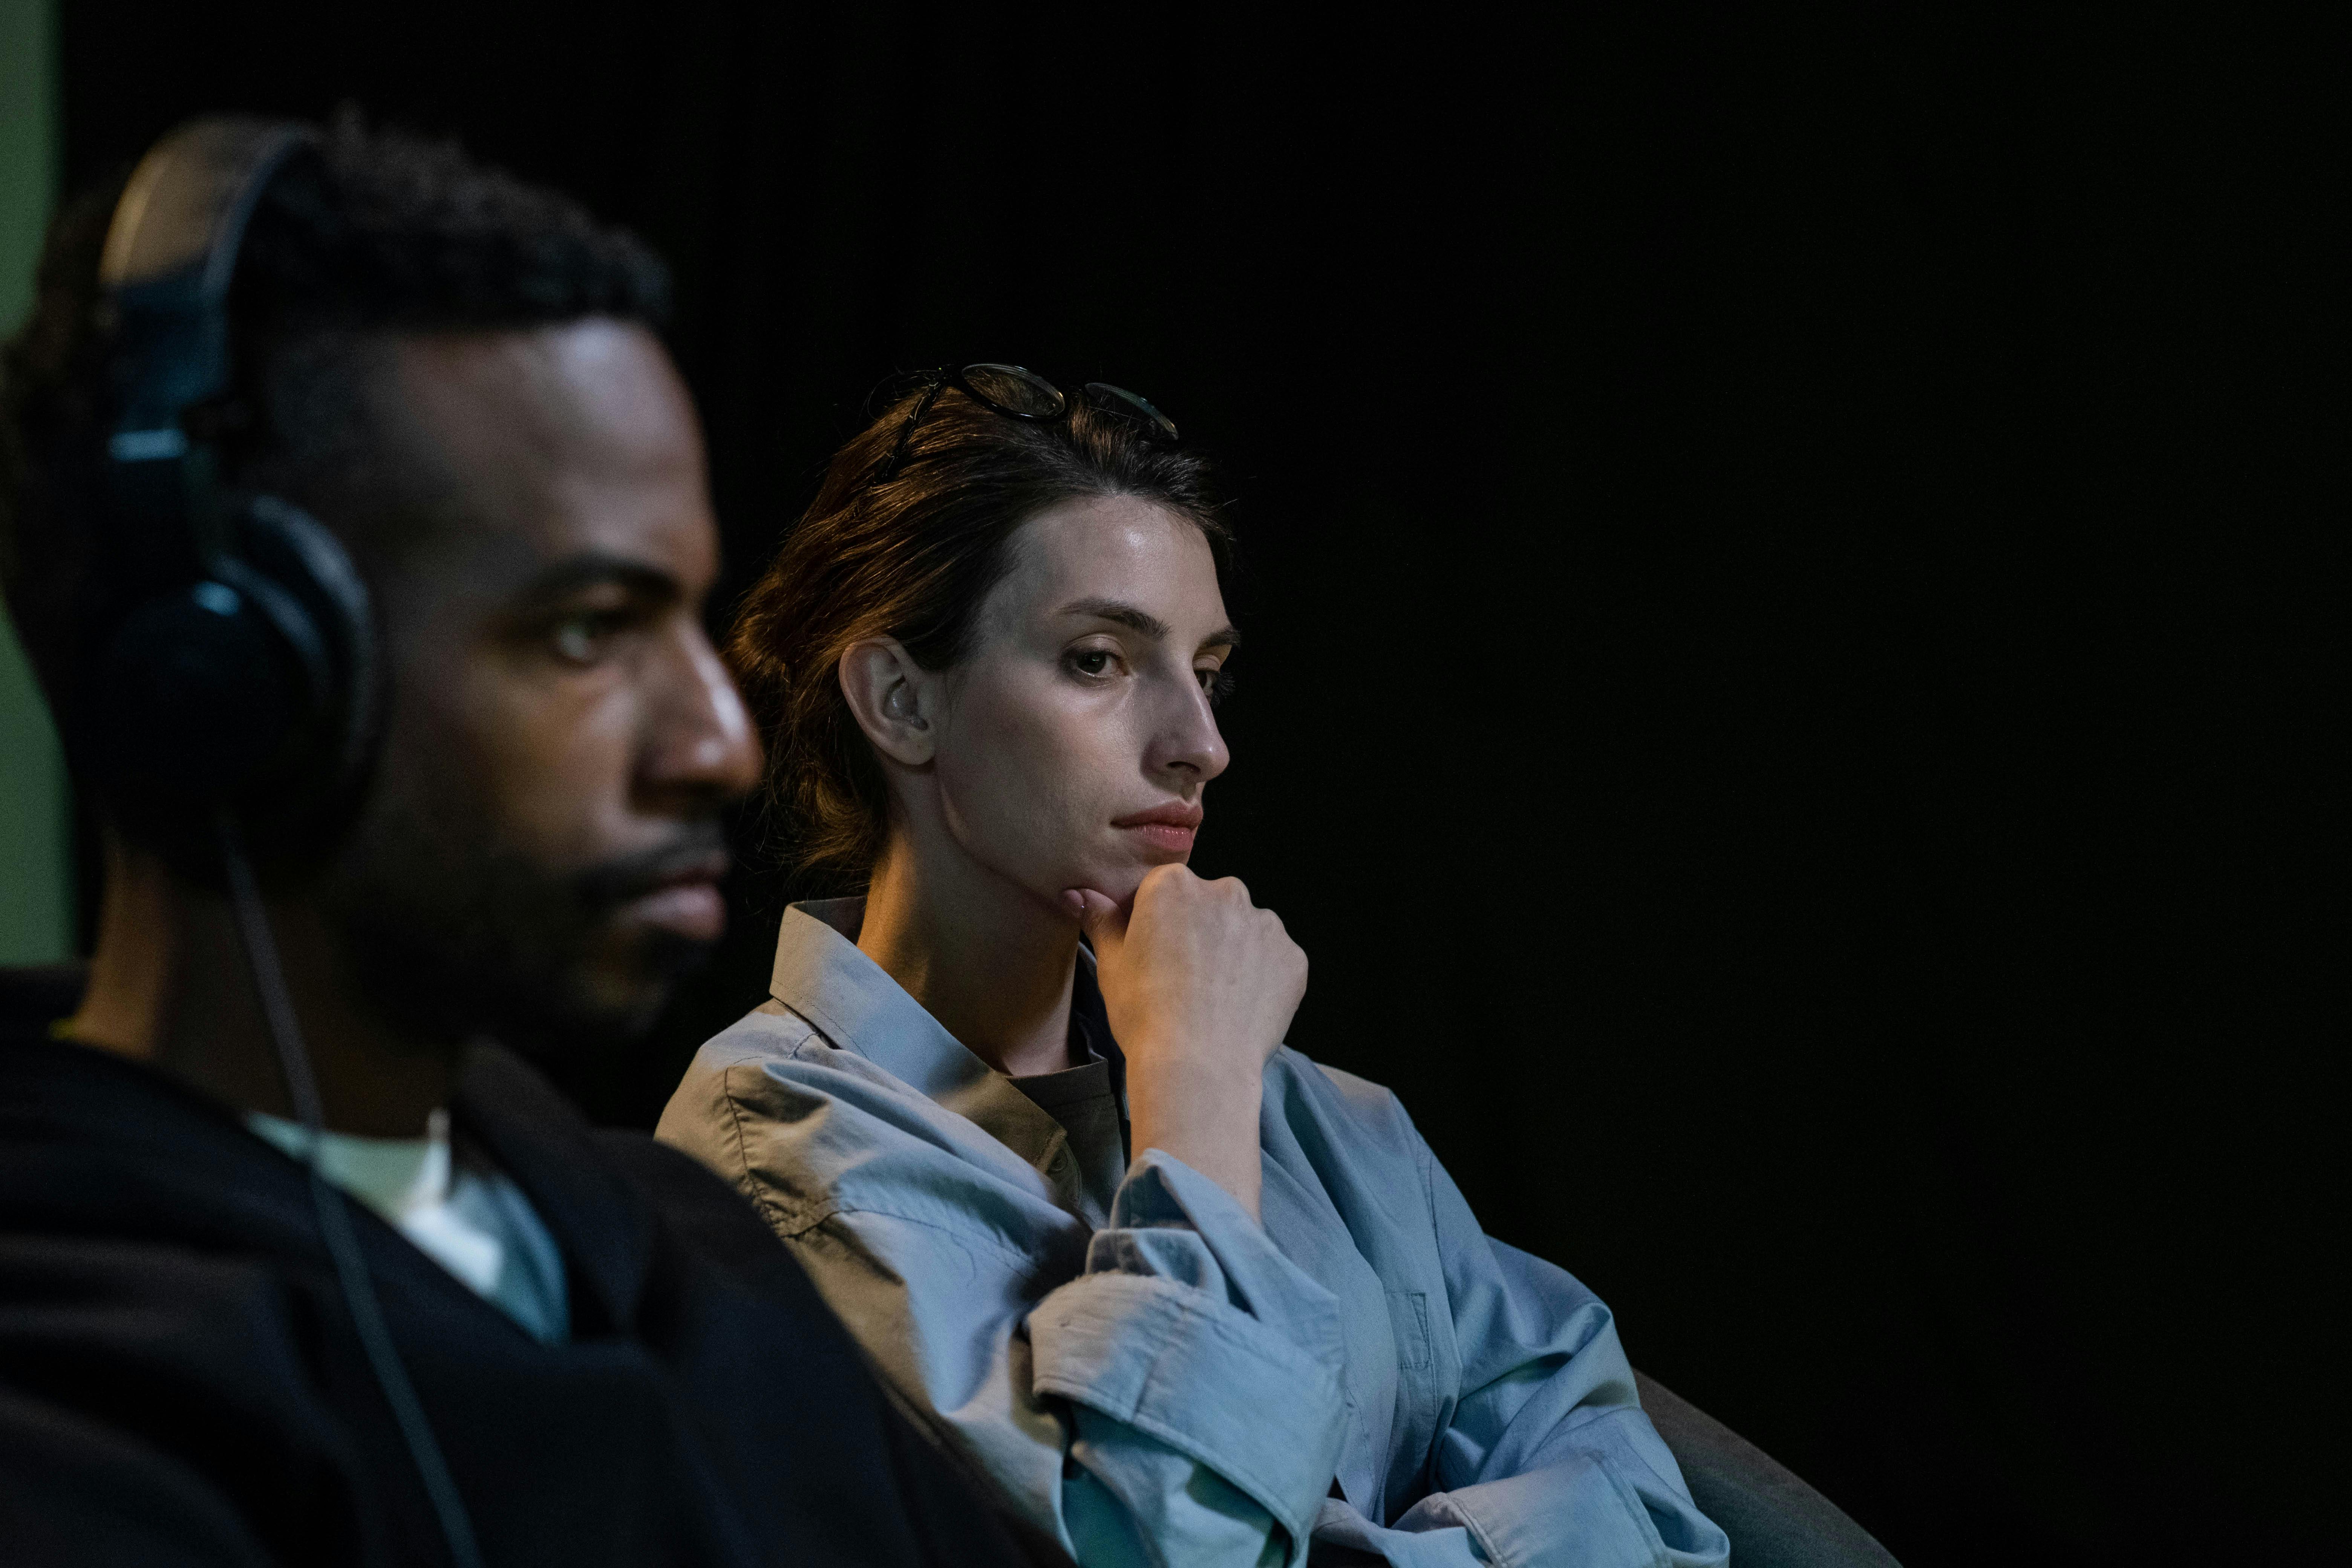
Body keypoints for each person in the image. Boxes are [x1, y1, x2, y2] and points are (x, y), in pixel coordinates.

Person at [0, 119, 1037, 1567]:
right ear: (235, 681)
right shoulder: (68, 1420)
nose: (719, 747)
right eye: (585, 632)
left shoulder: (691, 1250)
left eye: (685, 611)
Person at [656, 366, 1734, 1567]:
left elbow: (1653, 1508)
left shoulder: (1331, 1121)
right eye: (1100, 661)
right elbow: (1166, 1549)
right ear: (901, 700)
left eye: (1207, 671)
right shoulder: (770, 1152)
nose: (1201, 746)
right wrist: (1199, 1093)